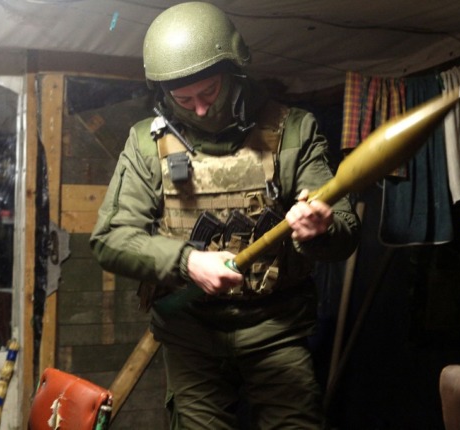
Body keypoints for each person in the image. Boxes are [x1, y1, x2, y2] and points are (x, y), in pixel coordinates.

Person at [90, 2, 360, 428]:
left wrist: (318, 229)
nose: (198, 109)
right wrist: (188, 262)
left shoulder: (294, 130)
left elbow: (345, 232)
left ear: (235, 73)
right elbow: (109, 239)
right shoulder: (146, 143)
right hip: (192, 335)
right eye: (183, 99)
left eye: (209, 93)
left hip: (277, 330)